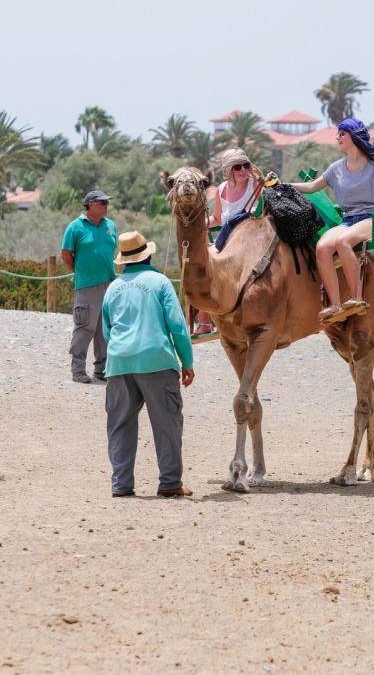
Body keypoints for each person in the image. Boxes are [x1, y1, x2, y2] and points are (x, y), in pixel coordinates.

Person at [102, 230, 195, 498]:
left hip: (119, 362)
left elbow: (107, 331)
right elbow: (177, 327)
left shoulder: (113, 288)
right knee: (167, 423)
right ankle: (169, 483)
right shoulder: (161, 282)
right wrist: (186, 361)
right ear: (148, 254)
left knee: (120, 424)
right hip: (156, 360)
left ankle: (121, 485)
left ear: (124, 260)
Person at [290, 119, 374, 321]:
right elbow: (312, 187)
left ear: (354, 136)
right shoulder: (336, 168)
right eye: (338, 134)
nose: (338, 137)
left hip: (373, 218)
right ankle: (334, 305)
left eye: (342, 133)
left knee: (343, 242)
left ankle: (356, 298)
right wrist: (283, 185)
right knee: (323, 247)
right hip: (349, 219)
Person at [193, 147, 262, 335]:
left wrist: (258, 176)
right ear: (228, 170)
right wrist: (197, 225)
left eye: (245, 165)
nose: (242, 171)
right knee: (202, 262)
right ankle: (205, 321)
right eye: (237, 167)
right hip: (226, 238)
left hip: (249, 239)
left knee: (212, 258)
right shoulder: (221, 190)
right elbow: (216, 218)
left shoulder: (255, 184)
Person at [61, 190, 117, 383]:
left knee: (104, 329)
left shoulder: (111, 226)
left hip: (109, 284)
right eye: (102, 203)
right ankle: (78, 370)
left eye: (106, 203)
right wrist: (80, 272)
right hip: (87, 285)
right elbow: (66, 254)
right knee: (85, 326)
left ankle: (101, 370)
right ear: (90, 204)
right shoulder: (75, 227)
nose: (106, 206)